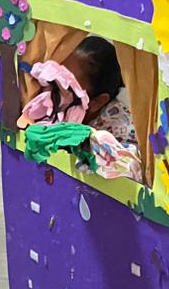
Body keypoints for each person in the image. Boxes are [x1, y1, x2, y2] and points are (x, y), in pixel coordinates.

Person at [19, 37, 141, 182]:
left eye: (67, 89)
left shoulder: (121, 128)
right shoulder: (53, 105)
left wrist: (89, 143)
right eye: (55, 81)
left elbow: (131, 170)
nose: (53, 95)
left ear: (96, 102)